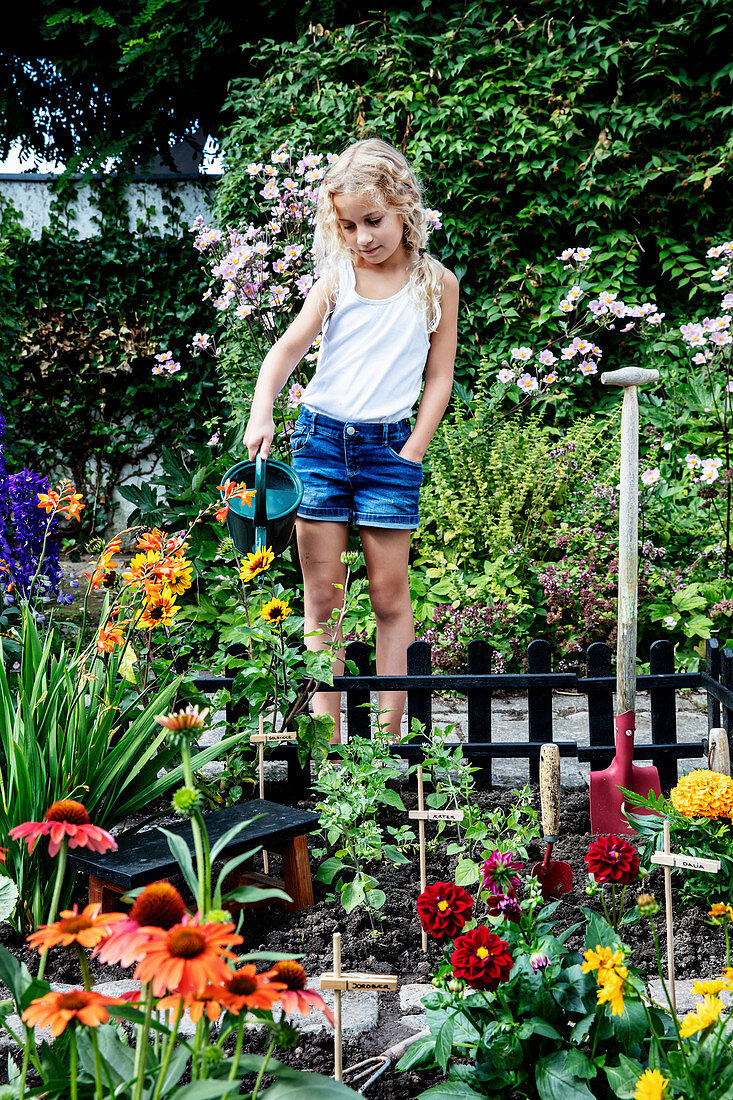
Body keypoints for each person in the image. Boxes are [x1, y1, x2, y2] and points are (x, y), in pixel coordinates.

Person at [244, 137, 458, 740]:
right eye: (350, 225)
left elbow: (438, 376)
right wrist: (263, 413)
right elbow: (285, 351)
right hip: (319, 445)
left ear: (404, 209)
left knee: (391, 599)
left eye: (374, 221)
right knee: (323, 602)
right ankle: (327, 745)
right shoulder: (338, 277)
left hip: (388, 451)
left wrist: (413, 448)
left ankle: (388, 743)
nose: (364, 237)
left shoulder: (436, 284)